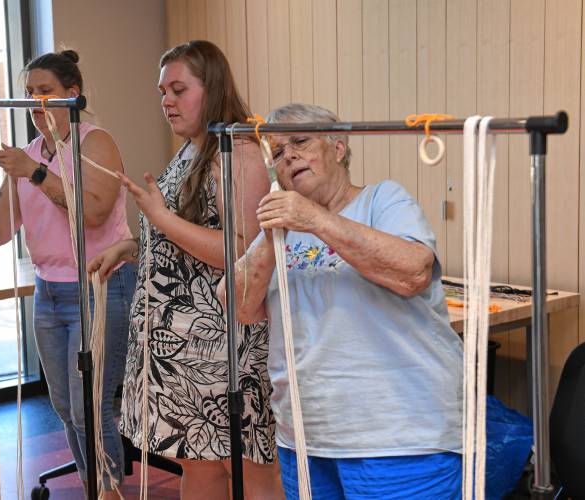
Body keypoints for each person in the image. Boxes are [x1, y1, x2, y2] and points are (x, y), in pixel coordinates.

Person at [219, 103, 464, 499]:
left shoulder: (383, 200)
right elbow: (238, 306)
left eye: (300, 141)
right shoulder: (282, 231)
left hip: (398, 438)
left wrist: (315, 219)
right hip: (306, 438)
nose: (289, 156)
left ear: (337, 148)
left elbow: (414, 272)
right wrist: (271, 233)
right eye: (278, 153)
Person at [88, 40, 283, 499]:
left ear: (211, 88)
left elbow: (244, 251)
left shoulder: (238, 153)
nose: (166, 102)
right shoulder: (196, 148)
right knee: (200, 468)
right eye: (162, 92)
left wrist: (160, 220)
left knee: (250, 472)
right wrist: (133, 246)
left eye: (178, 89)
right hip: (186, 357)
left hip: (222, 352)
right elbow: (189, 242)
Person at [0, 50, 136, 499]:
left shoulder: (95, 141)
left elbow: (95, 210)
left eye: (45, 91)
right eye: (30, 93)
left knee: (90, 408)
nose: (35, 102)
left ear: (73, 94)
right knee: (66, 407)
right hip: (49, 292)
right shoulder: (25, 157)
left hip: (100, 288)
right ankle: (95, 489)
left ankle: (110, 491)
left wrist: (35, 173)